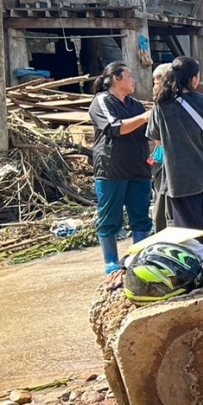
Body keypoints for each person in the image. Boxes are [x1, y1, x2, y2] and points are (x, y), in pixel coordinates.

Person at [147, 56, 203, 253]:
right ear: (194, 79)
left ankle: (200, 268)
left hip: (180, 178)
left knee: (191, 231)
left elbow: (158, 143)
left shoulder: (161, 106)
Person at [88, 62, 152, 273]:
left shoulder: (135, 105)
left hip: (139, 167)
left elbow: (148, 133)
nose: (133, 80)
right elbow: (114, 128)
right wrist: (144, 118)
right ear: (116, 78)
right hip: (111, 168)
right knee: (109, 217)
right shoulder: (102, 101)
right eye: (129, 76)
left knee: (141, 217)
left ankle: (139, 258)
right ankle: (111, 262)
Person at [149, 63, 172, 232]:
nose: (153, 88)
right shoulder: (200, 102)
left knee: (163, 209)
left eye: (156, 83)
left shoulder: (161, 107)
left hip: (167, 166)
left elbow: (158, 141)